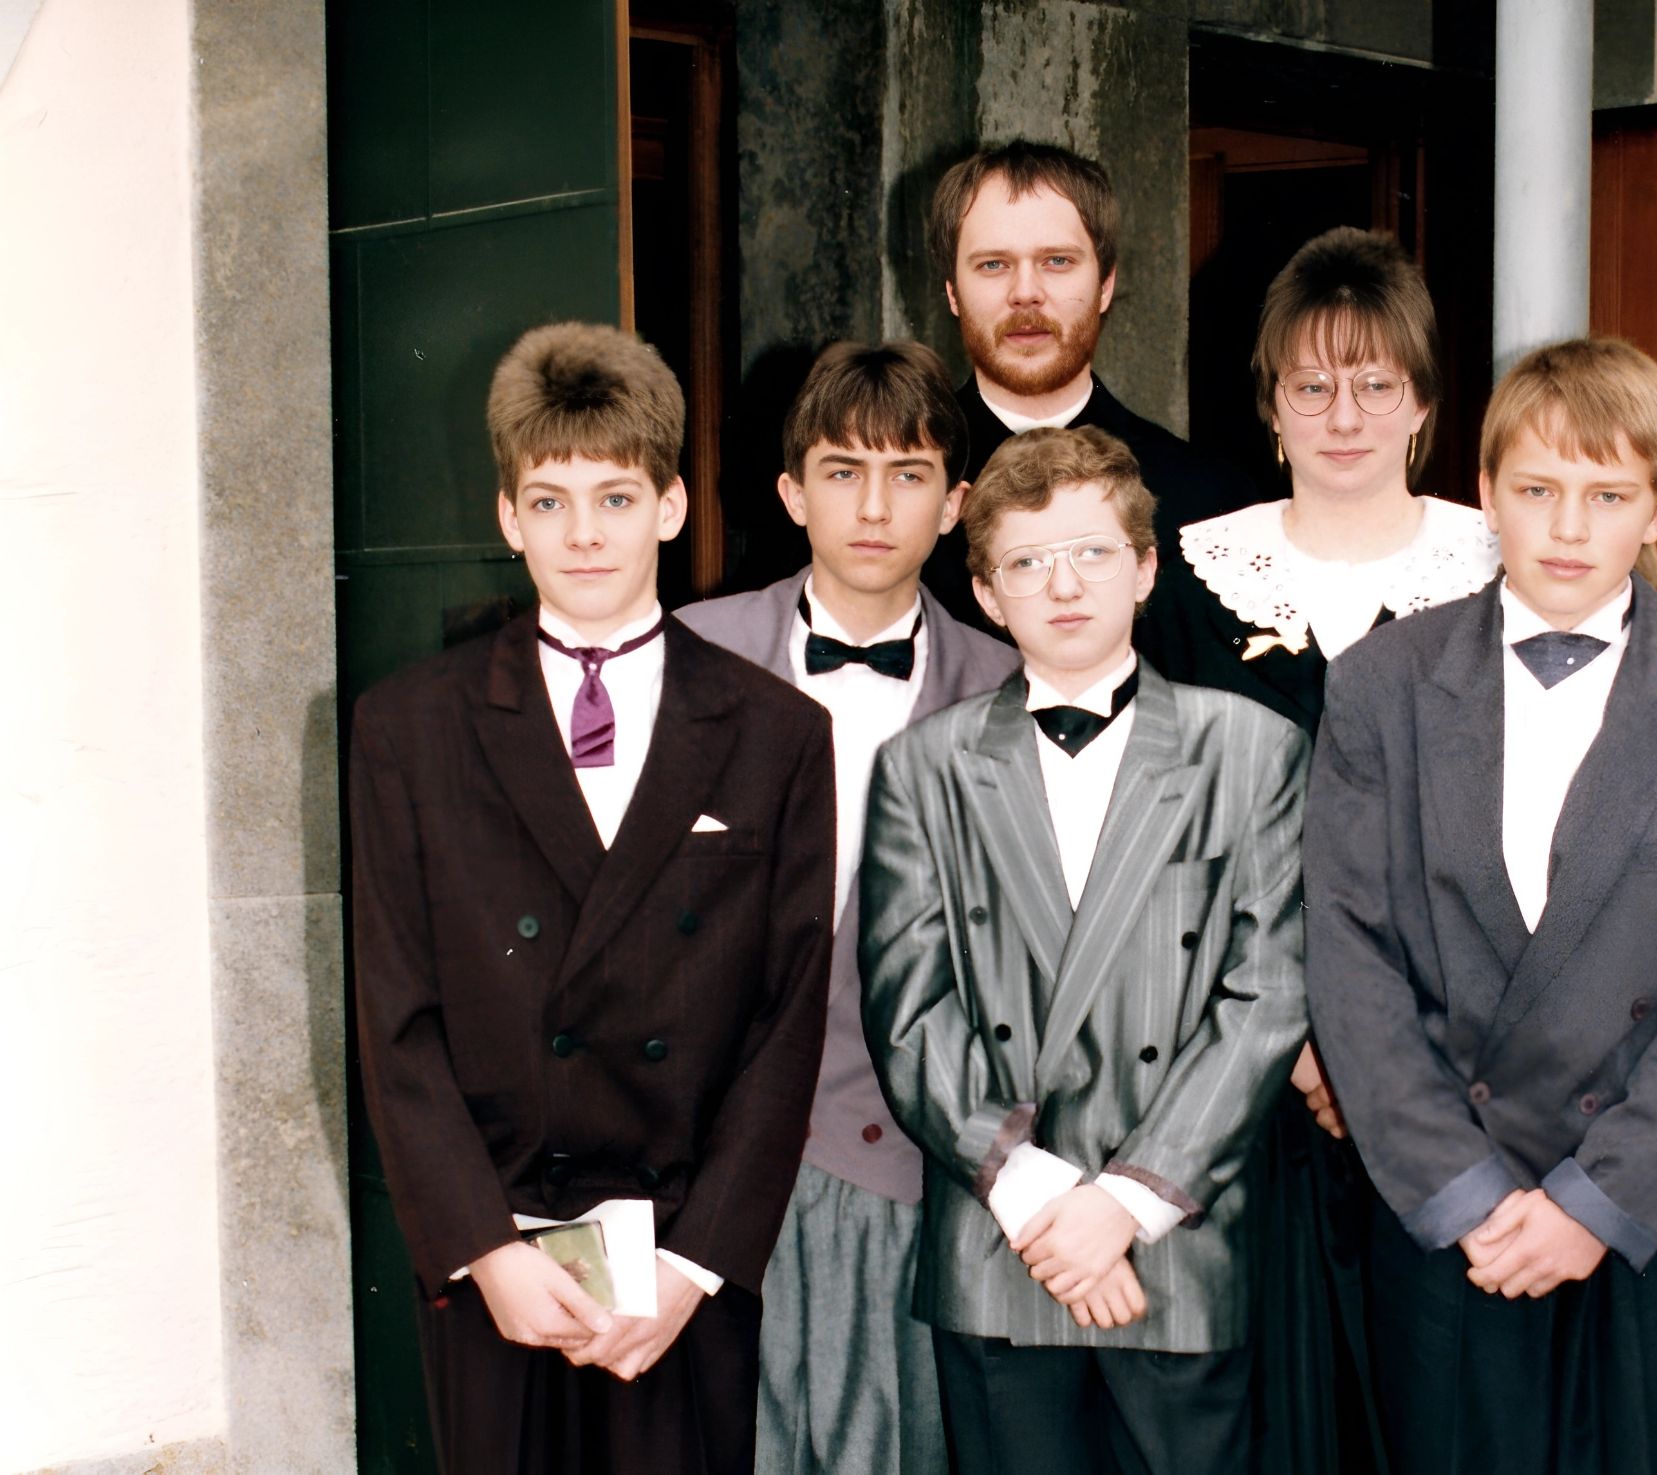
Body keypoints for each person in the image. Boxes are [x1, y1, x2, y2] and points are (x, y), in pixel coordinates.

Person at [1305, 337, 1657, 1475]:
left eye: (1607, 494)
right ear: (1485, 494)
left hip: (1641, 1211)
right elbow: (1349, 958)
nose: (1568, 527)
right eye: (1536, 490)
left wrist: (1590, 1204)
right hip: (1446, 1207)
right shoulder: (1381, 685)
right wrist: (1467, 1191)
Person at [348, 321, 834, 1475]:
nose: (584, 533)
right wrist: (483, 1249)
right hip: (499, 1256)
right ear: (508, 516)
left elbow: (787, 1015)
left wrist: (695, 1266)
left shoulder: (775, 732)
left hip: (676, 1262)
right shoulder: (409, 726)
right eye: (550, 500)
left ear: (670, 504)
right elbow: (393, 1015)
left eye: (615, 498)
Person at [859, 425, 1309, 1475]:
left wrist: (1124, 1201)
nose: (1061, 583)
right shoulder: (921, 768)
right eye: (1025, 560)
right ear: (983, 590)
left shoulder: (1249, 749)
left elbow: (1266, 998)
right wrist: (1041, 1199)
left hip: (1176, 1240)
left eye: (1092, 551)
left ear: (1146, 568)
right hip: (1000, 1239)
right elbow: (908, 1010)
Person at [1137, 225, 1498, 1474]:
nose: (1342, 412)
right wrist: (1294, 1039)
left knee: (1441, 1412)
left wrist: (1389, 1047)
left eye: (1373, 382)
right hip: (1251, 1075)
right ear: (1271, 405)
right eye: (1310, 384)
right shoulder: (1188, 577)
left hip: (1461, 1073)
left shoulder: (1502, 566)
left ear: (1422, 406)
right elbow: (1171, 839)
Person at [676, 340, 1019, 1475]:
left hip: (923, 1166)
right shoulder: (688, 657)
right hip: (714, 1166)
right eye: (840, 470)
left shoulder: (1013, 686)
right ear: (789, 491)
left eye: (908, 472)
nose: (873, 506)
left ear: (956, 501)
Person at [919, 139, 1258, 626]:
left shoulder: (1212, 502)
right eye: (993, 264)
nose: (1026, 293)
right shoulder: (890, 501)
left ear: (1105, 285)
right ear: (953, 292)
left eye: (1057, 261)